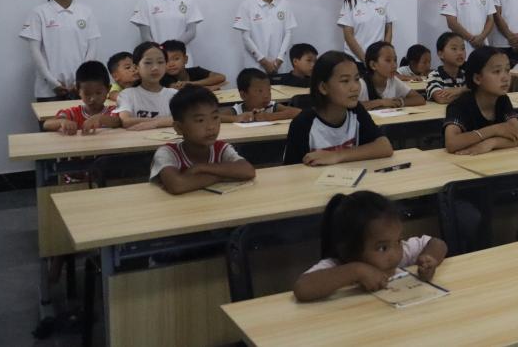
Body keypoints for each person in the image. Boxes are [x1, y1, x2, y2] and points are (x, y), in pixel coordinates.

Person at [293, 191, 447, 302]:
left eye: (398, 241)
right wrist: (356, 271)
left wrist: (429, 258)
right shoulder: (337, 266)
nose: (395, 254)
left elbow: (436, 243)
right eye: (382, 248)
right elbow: (302, 288)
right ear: (349, 250)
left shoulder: (398, 256)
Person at [282, 51, 393, 166]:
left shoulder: (356, 111)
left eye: (356, 79)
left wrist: (336, 155)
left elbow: (384, 147)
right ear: (323, 87)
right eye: (345, 81)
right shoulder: (303, 123)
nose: (355, 87)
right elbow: (290, 171)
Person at [149, 86, 255, 195]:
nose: (211, 127)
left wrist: (201, 168)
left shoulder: (221, 148)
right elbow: (177, 185)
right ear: (179, 128)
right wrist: (222, 176)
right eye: (200, 120)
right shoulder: (167, 153)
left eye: (215, 117)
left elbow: (248, 170)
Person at [20, 0, 100, 100]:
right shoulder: (39, 12)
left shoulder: (86, 12)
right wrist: (52, 82)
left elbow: (92, 49)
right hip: (48, 90)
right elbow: (35, 52)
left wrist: (80, 80)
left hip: (80, 89)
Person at [442, 47, 518, 155]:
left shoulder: (502, 99)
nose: (505, 78)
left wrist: (492, 143)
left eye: (507, 70)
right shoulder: (460, 105)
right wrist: (494, 130)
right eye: (497, 71)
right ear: (477, 78)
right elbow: (451, 143)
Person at [234, 0, 296, 75]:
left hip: (279, 66)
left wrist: (280, 59)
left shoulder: (284, 4)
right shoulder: (246, 5)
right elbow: (246, 38)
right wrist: (263, 61)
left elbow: (288, 34)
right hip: (254, 65)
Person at [337, 0, 393, 64]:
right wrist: (365, 60)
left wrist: (384, 54)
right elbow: (348, 36)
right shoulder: (349, 3)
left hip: (377, 61)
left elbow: (388, 29)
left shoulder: (383, 0)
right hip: (355, 60)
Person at [42, 61, 119, 134]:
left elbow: (118, 121)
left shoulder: (113, 111)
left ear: (108, 89)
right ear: (78, 91)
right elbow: (46, 124)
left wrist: (100, 119)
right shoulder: (73, 113)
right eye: (87, 94)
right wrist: (62, 122)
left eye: (98, 93)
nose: (92, 99)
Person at [115, 41, 177, 131]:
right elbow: (126, 121)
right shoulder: (127, 94)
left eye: (160, 62)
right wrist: (165, 121)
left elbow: (182, 119)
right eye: (148, 63)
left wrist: (155, 123)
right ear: (136, 67)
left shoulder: (174, 94)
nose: (155, 67)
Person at [358, 42, 426, 110]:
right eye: (388, 60)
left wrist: (399, 102)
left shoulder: (393, 81)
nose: (394, 65)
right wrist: (380, 102)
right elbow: (352, 106)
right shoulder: (361, 84)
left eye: (395, 60)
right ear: (373, 65)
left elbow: (420, 99)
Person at [229, 68, 301, 123]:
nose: (266, 95)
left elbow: (298, 112)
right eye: (260, 91)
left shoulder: (271, 106)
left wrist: (269, 116)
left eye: (269, 90)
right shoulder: (238, 110)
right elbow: (221, 116)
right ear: (244, 95)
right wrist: (237, 118)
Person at [160, 40, 225, 90]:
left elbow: (221, 77)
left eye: (176, 59)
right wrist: (207, 88)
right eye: (166, 60)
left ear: (185, 59)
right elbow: (178, 88)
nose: (171, 64)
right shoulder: (163, 78)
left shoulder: (195, 71)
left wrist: (192, 83)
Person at [424, 32, 468, 104]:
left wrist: (460, 90)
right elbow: (441, 99)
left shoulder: (467, 74)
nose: (460, 53)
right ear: (441, 54)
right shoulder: (434, 76)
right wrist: (466, 92)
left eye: (463, 48)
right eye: (454, 48)